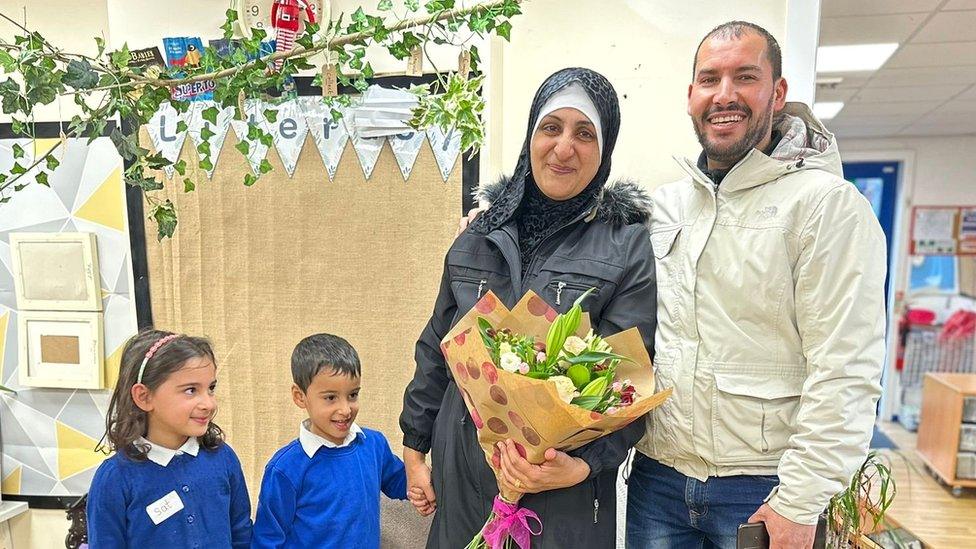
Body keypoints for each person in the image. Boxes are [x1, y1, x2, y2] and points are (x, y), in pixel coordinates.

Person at [626, 21, 887, 549]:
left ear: (778, 92)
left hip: (763, 489)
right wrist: (496, 217)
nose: (725, 95)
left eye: (745, 76)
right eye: (709, 79)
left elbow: (846, 367)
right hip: (658, 481)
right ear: (691, 95)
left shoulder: (826, 206)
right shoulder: (666, 206)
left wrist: (799, 500)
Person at [400, 67, 657, 548]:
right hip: (463, 482)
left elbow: (629, 378)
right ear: (530, 137)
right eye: (551, 127)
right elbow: (436, 344)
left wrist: (583, 465)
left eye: (585, 133)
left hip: (559, 496)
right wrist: (415, 448)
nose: (564, 148)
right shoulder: (480, 234)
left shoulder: (626, 245)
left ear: (604, 151)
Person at [87, 330, 252, 548]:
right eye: (191, 390)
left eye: (211, 388)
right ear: (143, 397)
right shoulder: (115, 478)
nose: (209, 404)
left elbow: (241, 533)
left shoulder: (223, 458)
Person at [251, 333, 407, 548]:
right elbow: (267, 538)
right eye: (330, 398)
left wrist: (438, 483)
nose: (345, 409)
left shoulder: (374, 445)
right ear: (300, 396)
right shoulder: (284, 468)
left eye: (352, 395)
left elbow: (402, 482)